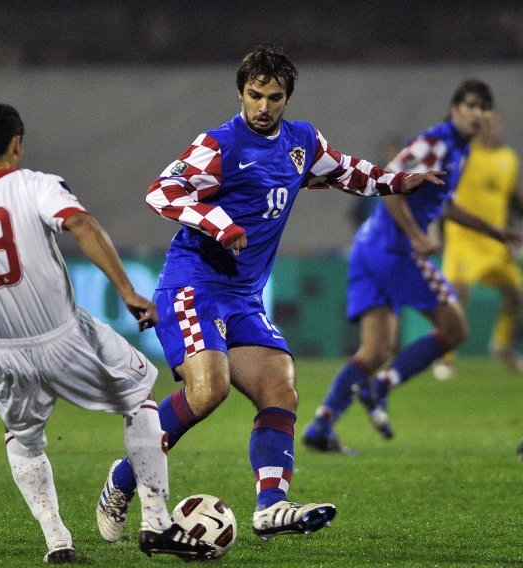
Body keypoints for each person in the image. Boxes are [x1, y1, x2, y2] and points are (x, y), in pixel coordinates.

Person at [95, 43, 444, 543]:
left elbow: (346, 172)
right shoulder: (218, 144)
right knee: (207, 391)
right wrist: (220, 224)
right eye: (255, 95)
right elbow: (161, 192)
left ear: (287, 98)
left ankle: (271, 507)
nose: (263, 106)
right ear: (241, 92)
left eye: (274, 97)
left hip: (243, 297)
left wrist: (401, 181)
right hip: (194, 285)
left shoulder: (302, 143)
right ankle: (121, 478)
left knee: (280, 386)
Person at [0, 102, 214, 563]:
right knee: (142, 391)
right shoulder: (36, 185)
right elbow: (80, 223)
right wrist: (127, 290)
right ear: (17, 144)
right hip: (65, 336)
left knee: (23, 440)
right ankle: (155, 523)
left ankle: (57, 541)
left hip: (1, 352)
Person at [302, 80, 522, 452]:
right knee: (455, 329)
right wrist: (417, 237)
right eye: (470, 105)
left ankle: (321, 426)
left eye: (485, 107)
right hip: (394, 251)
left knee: (374, 350)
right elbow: (390, 181)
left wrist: (493, 230)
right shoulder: (437, 142)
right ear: (454, 110)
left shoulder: (460, 151)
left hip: (369, 249)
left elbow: (446, 205)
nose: (478, 113)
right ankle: (382, 386)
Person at [432, 110, 523, 379]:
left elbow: (512, 199)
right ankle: (446, 358)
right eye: (484, 124)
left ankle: (501, 345)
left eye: (494, 123)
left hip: (495, 242)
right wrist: (436, 232)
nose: (490, 129)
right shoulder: (463, 155)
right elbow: (442, 193)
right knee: (458, 296)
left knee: (516, 296)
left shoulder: (508, 159)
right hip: (464, 237)